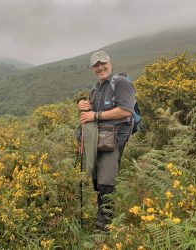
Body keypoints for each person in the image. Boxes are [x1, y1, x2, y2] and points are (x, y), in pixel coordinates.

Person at [77, 50, 136, 230]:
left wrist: (95, 115)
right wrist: (82, 105)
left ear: (110, 63)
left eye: (102, 64)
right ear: (92, 69)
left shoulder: (122, 83)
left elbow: (126, 111)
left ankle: (104, 226)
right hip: (99, 139)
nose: (100, 68)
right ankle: (103, 219)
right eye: (96, 65)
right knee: (99, 180)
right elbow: (89, 115)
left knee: (106, 181)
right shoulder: (96, 88)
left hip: (115, 139)